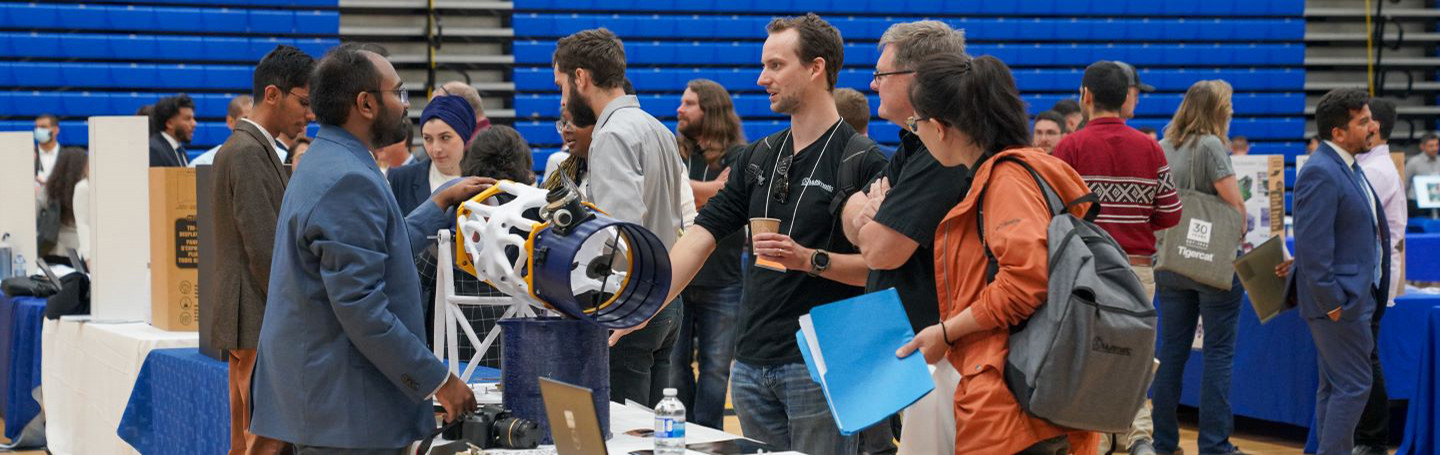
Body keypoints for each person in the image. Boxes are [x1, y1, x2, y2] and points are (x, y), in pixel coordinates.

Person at [641, 14, 887, 453]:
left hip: (819, 365)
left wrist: (811, 259)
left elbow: (879, 268)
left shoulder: (863, 159)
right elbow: (702, 235)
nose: (761, 78)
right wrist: (645, 303)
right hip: (751, 364)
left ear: (816, 68)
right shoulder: (759, 155)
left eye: (775, 65)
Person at [249, 43, 487, 453]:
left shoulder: (330, 160)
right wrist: (439, 381)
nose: (405, 104)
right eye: (398, 93)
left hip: (330, 404)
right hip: (348, 413)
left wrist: (437, 206)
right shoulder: (348, 179)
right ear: (365, 104)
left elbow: (379, 252)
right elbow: (363, 309)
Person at [892, 53, 1099, 455]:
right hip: (1020, 398)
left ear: (938, 127)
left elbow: (1026, 280)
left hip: (1016, 406)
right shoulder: (1013, 173)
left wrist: (948, 332)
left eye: (916, 124)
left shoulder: (1007, 180)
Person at [840, 19, 967, 455]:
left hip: (937, 355)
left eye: (881, 74)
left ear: (917, 78)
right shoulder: (915, 145)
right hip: (907, 350)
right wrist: (869, 213)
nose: (872, 84)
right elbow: (852, 214)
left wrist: (871, 215)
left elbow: (881, 250)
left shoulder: (943, 153)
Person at [554, 28, 689, 408]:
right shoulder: (656, 127)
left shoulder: (611, 134)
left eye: (562, 85)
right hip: (668, 297)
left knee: (627, 435)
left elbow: (623, 235)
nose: (563, 98)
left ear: (581, 78)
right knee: (658, 436)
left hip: (630, 303)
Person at [1052, 61, 1181, 455]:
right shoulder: (1149, 146)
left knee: (1088, 356)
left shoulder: (1068, 147)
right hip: (1136, 269)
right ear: (1126, 97)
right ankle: (1138, 436)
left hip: (1085, 270)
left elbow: (1054, 212)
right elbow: (1170, 213)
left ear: (1085, 95)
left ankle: (1099, 438)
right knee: (1134, 354)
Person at [209, 44, 315, 455]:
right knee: (262, 440)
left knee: (246, 438)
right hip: (257, 311)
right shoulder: (249, 151)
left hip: (249, 312)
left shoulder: (249, 147)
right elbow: (264, 248)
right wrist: (298, 311)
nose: (309, 114)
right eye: (303, 102)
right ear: (273, 94)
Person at [1150, 80, 1248, 455]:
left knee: (1172, 351)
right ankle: (1214, 443)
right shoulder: (1211, 146)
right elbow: (1235, 206)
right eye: (1229, 105)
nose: (1233, 111)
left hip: (1172, 259)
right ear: (1218, 110)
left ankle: (1164, 441)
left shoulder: (1163, 146)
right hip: (1211, 263)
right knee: (1218, 353)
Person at [1288, 88, 1388, 455]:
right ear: (1338, 133)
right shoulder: (1322, 172)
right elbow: (1313, 247)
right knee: (1354, 385)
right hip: (1339, 301)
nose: (1373, 126)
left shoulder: (1346, 167)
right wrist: (1332, 301)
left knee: (1335, 387)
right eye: (1363, 121)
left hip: (1350, 297)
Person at [415, 125, 534, 370]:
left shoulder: (447, 245)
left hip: (455, 367)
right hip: (524, 362)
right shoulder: (539, 239)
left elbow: (406, 283)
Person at [668, 78, 747, 430]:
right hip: (678, 276)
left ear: (710, 110)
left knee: (716, 367)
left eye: (689, 103)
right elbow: (671, 190)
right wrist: (707, 190)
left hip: (722, 280)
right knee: (674, 364)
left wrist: (694, 191)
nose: (679, 109)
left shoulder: (740, 157)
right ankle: (682, 435)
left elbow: (723, 196)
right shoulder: (676, 151)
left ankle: (708, 437)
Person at [1351, 97, 1407, 455]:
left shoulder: (1377, 171)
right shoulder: (1367, 165)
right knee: (1361, 356)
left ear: (1375, 127)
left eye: (1362, 119)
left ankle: (1372, 439)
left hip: (1371, 275)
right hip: (1367, 271)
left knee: (1365, 356)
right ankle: (1367, 436)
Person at [386, 96, 475, 214]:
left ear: (464, 137)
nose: (436, 149)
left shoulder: (484, 177)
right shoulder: (401, 178)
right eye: (428, 139)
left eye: (445, 137)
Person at [38, 147, 86, 258]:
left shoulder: (49, 189)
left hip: (52, 250)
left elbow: (33, 212)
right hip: (78, 252)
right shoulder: (84, 190)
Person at [191, 95, 256, 167]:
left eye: (256, 121)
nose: (252, 126)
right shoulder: (203, 163)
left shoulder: (265, 162)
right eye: (246, 120)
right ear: (230, 121)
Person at [149, 94, 197, 167]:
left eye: (193, 118)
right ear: (169, 123)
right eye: (187, 119)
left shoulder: (181, 151)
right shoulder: (154, 150)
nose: (194, 123)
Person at [1406, 133, 1440, 217]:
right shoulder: (1413, 162)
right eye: (1431, 146)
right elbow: (1405, 184)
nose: (1435, 148)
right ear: (1422, 147)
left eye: (1437, 145)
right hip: (1416, 203)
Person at [33, 114, 61, 183]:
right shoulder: (30, 155)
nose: (38, 130)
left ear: (56, 130)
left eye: (43, 127)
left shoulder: (68, 156)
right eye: (36, 127)